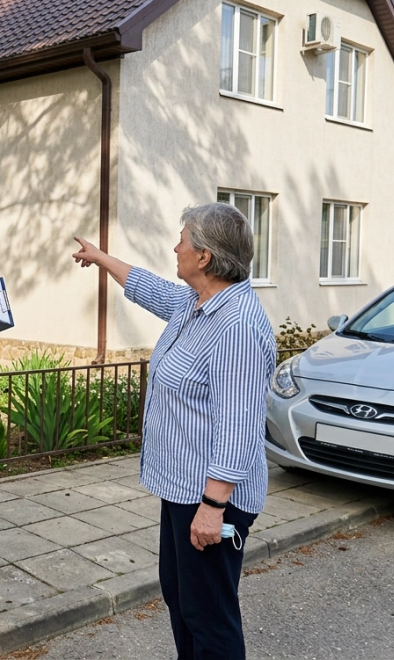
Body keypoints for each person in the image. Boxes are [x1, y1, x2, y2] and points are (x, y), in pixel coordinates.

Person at [72, 202, 275, 659]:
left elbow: (239, 428)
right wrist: (102, 258)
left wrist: (213, 506)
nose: (176, 246)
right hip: (182, 488)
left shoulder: (236, 325)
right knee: (183, 602)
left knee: (209, 617)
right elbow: (152, 290)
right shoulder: (197, 302)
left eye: (183, 239)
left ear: (204, 256)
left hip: (211, 499)